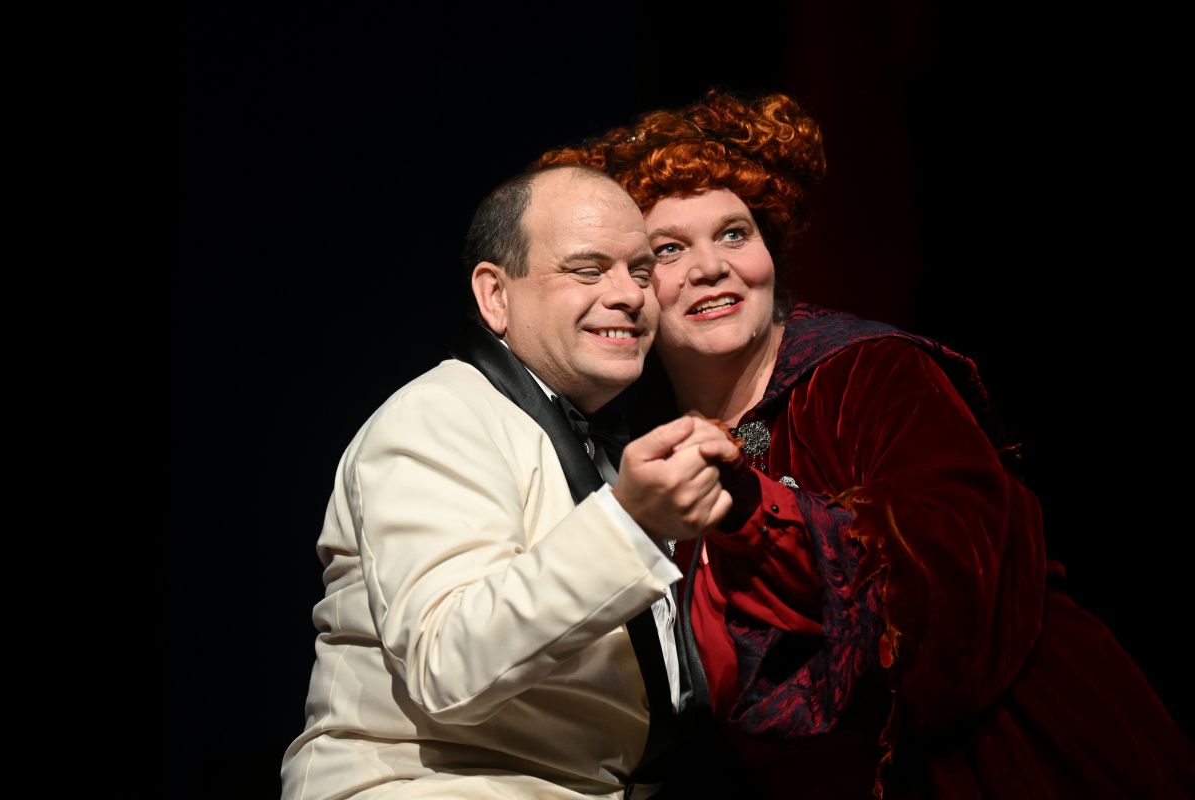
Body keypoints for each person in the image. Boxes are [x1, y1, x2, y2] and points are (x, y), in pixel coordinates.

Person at [537, 89, 1195, 798]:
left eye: (735, 233)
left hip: (1004, 764)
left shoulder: (872, 372)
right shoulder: (647, 449)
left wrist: (753, 515)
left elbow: (956, 568)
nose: (711, 267)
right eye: (670, 249)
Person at [280, 165, 740, 799]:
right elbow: (448, 665)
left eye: (639, 271)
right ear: (495, 295)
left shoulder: (607, 442)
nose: (630, 295)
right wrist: (631, 525)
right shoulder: (437, 415)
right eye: (587, 270)